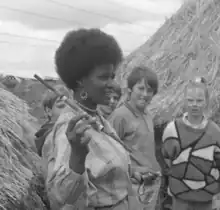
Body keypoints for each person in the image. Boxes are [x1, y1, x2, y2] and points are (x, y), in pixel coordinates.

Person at [45, 28, 142, 210]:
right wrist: (77, 157)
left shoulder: (96, 117)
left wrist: (126, 175)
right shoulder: (72, 128)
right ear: (80, 80)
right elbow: (61, 198)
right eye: (104, 77)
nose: (113, 84)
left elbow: (103, 173)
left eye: (112, 76)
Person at [162, 77, 220, 210]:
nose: (194, 104)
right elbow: (167, 159)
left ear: (206, 102)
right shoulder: (172, 129)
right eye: (190, 100)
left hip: (206, 198)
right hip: (180, 198)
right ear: (184, 102)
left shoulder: (215, 132)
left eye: (199, 101)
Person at [108, 66, 161, 209]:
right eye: (141, 88)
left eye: (150, 91)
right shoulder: (120, 116)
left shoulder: (148, 115)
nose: (145, 94)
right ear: (130, 89)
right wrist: (133, 171)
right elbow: (110, 154)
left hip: (151, 183)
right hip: (133, 185)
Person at [34, 84, 71, 157]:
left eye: (69, 106)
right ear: (49, 111)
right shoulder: (51, 137)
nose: (67, 110)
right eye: (61, 106)